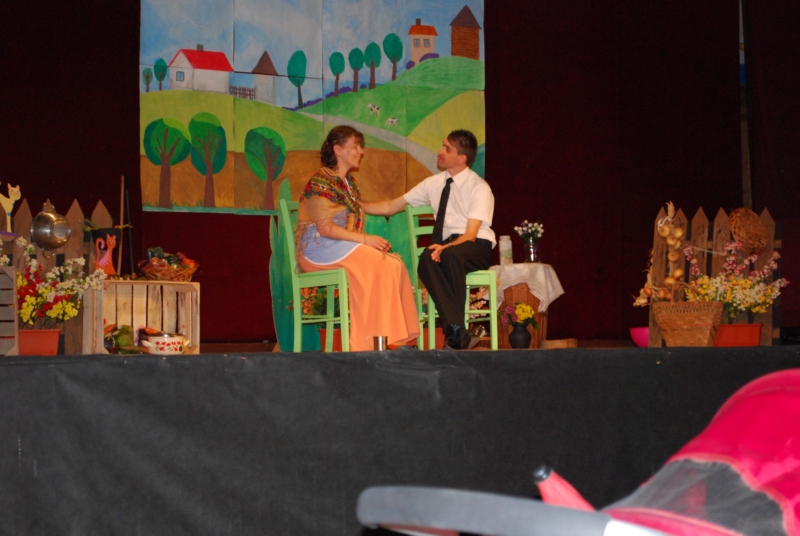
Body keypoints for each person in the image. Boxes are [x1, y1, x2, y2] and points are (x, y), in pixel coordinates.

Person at [363, 129, 495, 349]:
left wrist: (446, 247)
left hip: (475, 247)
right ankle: (457, 330)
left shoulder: (479, 187)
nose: (439, 151)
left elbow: (470, 235)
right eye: (442, 145)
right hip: (447, 248)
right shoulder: (432, 183)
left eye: (447, 149)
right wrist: (355, 204)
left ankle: (455, 331)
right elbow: (391, 206)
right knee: (426, 259)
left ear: (461, 158)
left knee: (448, 256)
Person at [296, 125, 419, 352]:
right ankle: (367, 344)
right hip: (318, 250)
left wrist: (415, 197)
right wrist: (364, 239)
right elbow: (325, 229)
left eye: (360, 147)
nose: (361, 151)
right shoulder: (320, 182)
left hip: (339, 246)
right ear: (337, 150)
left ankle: (398, 338)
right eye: (355, 146)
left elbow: (375, 209)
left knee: (394, 263)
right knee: (378, 261)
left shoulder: (348, 184)